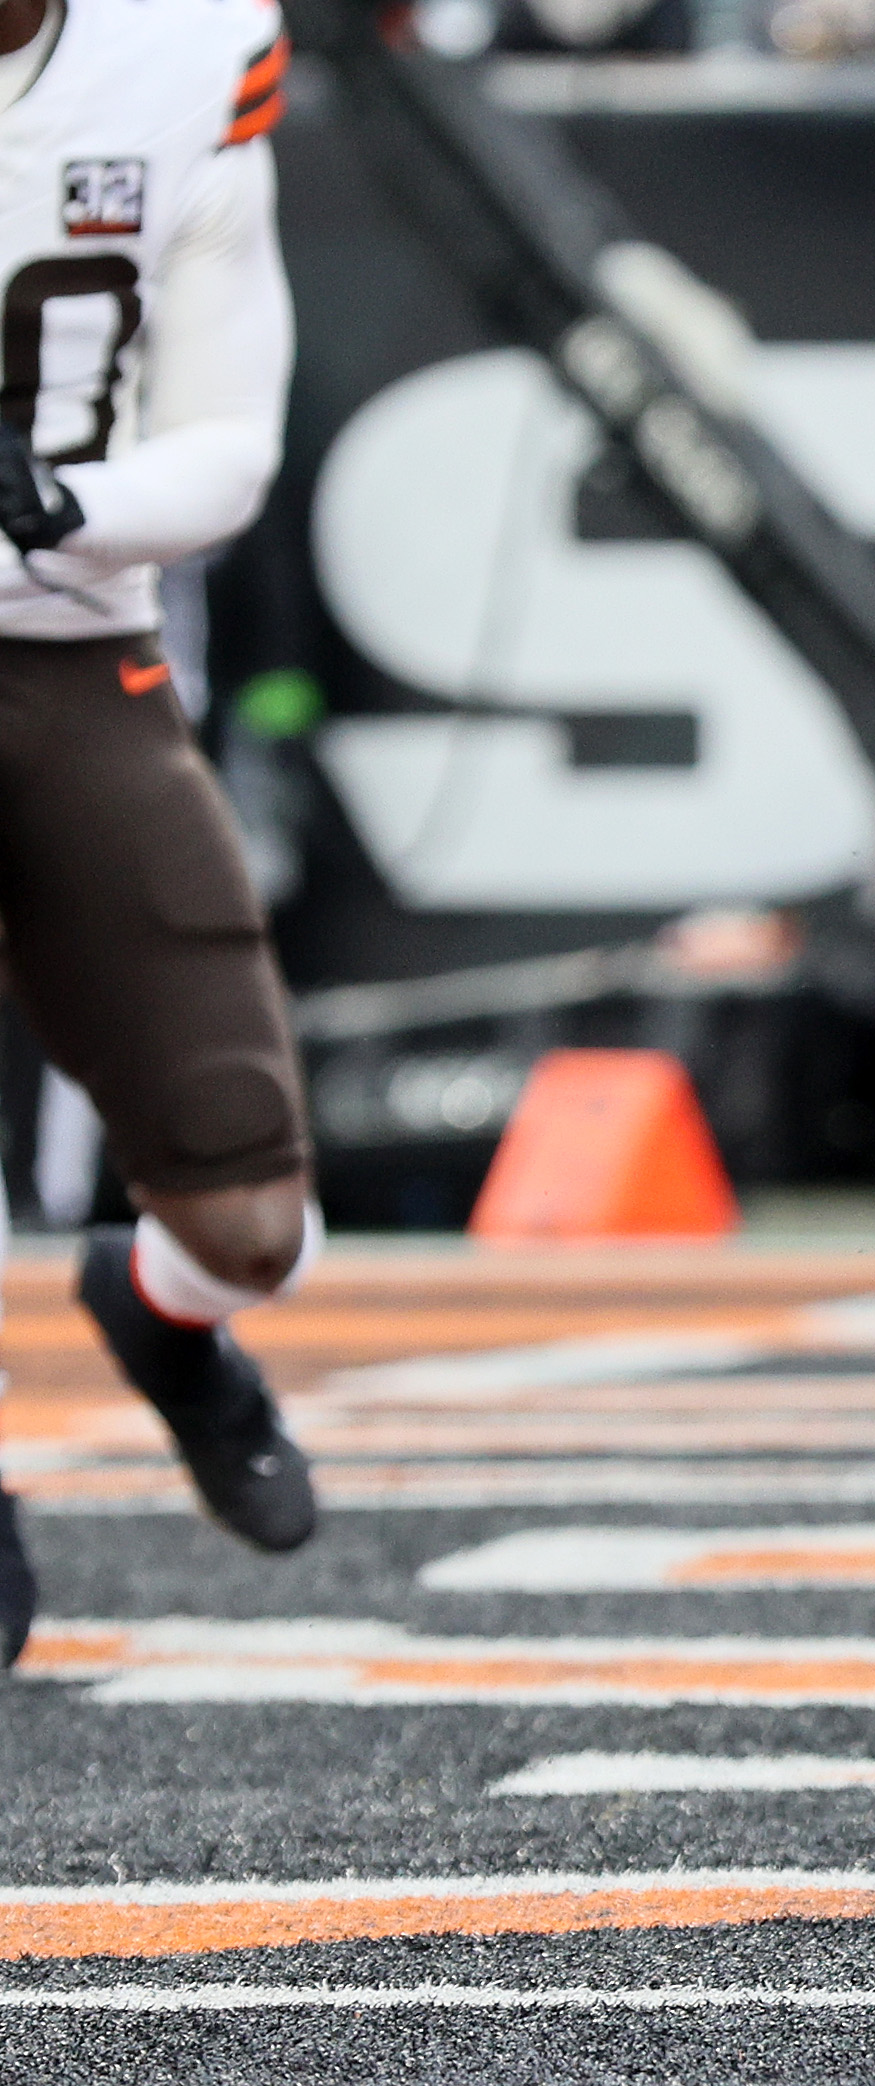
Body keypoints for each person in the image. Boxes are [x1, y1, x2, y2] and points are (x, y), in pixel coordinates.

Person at [0, 0, 319, 1670]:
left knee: (251, 1215)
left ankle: (164, 1319)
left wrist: (70, 506)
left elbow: (226, 438)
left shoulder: (180, 48)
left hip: (64, 639)